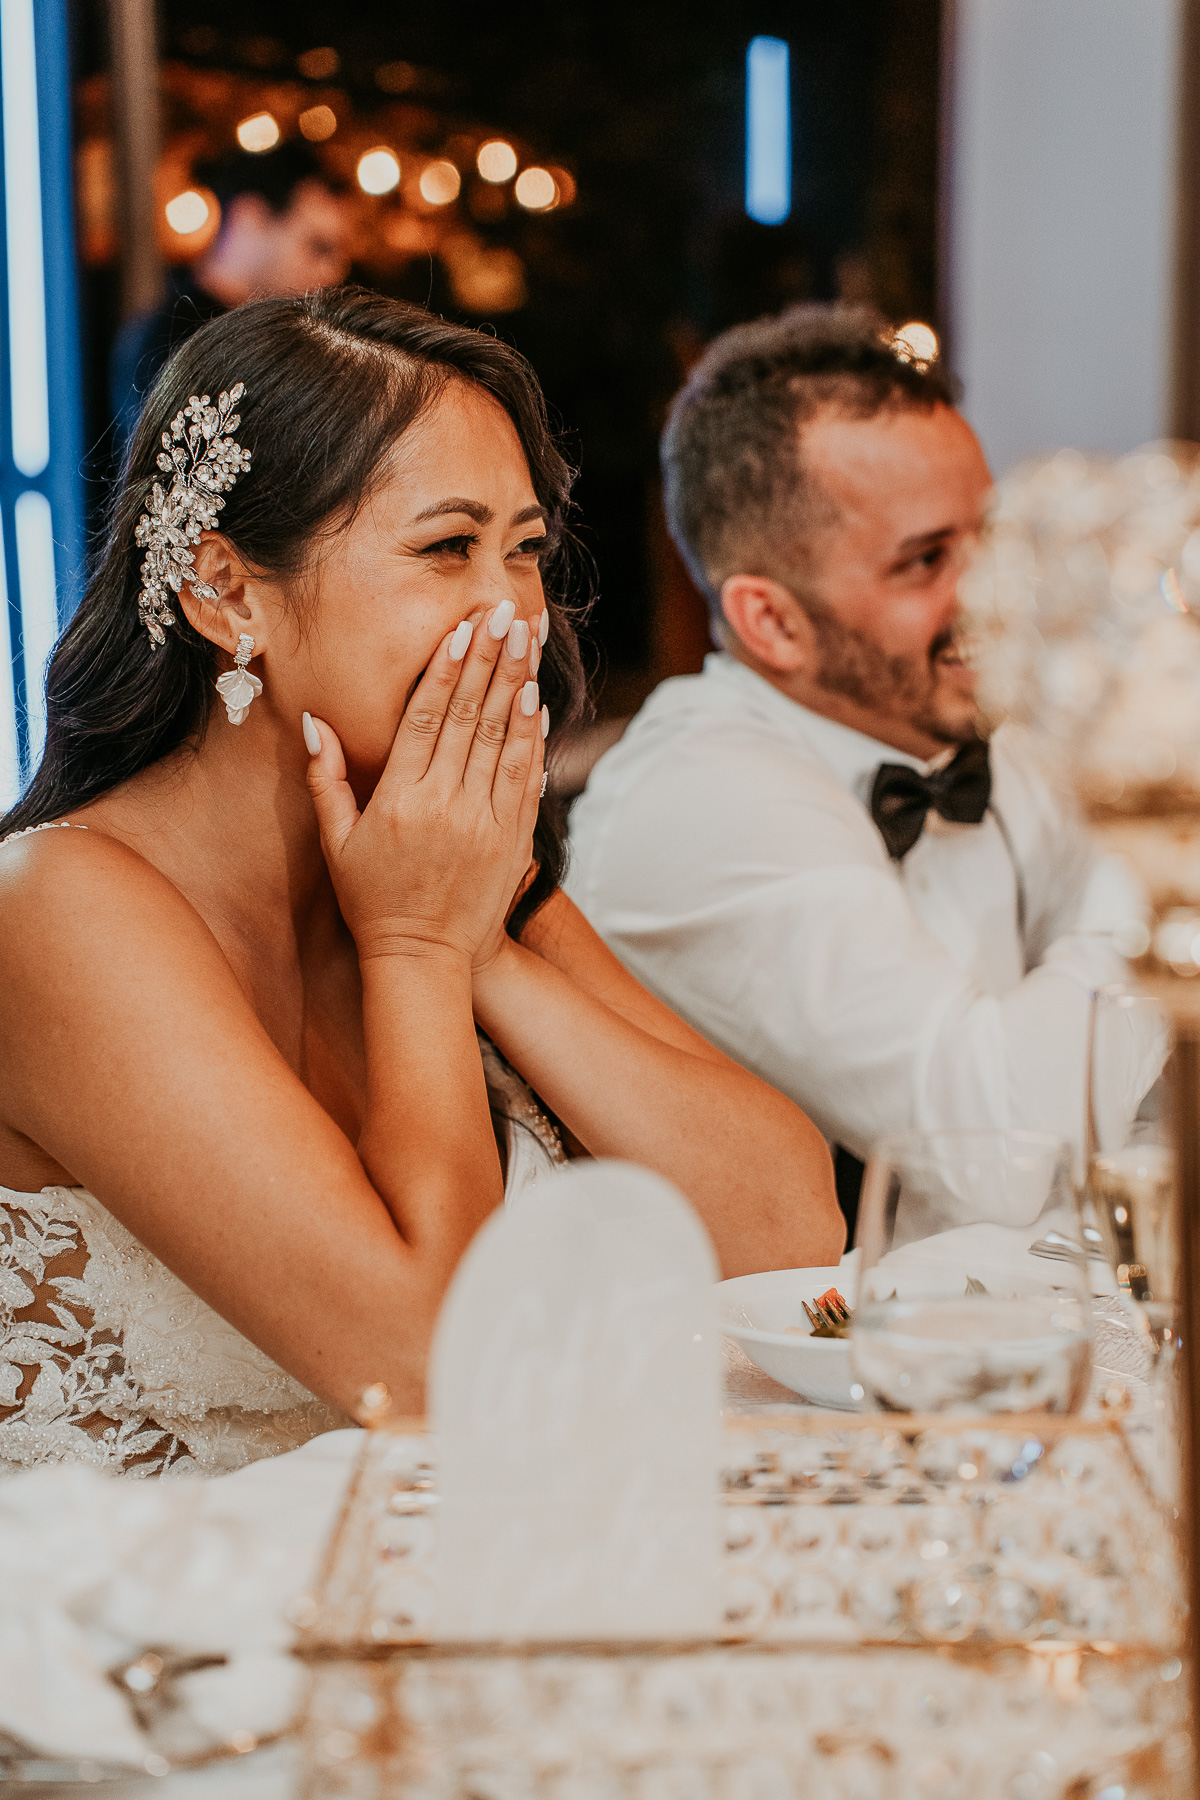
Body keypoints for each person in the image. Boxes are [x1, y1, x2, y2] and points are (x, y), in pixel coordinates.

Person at [0, 289, 840, 1477]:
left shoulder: (451, 856)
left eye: (527, 550)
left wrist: (479, 947)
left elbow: (787, 1233)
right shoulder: (58, 910)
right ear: (224, 591)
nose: (513, 615)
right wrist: (415, 955)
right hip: (160, 1638)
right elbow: (437, 1373)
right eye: (447, 549)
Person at [567, 304, 1141, 1237]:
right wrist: (1166, 853)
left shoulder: (965, 727)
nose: (993, 588)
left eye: (987, 536)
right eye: (926, 562)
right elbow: (990, 1154)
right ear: (773, 623)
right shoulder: (704, 800)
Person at [109, 143, 352, 448]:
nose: (333, 272)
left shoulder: (268, 331)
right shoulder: (173, 340)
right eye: (318, 247)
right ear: (251, 218)